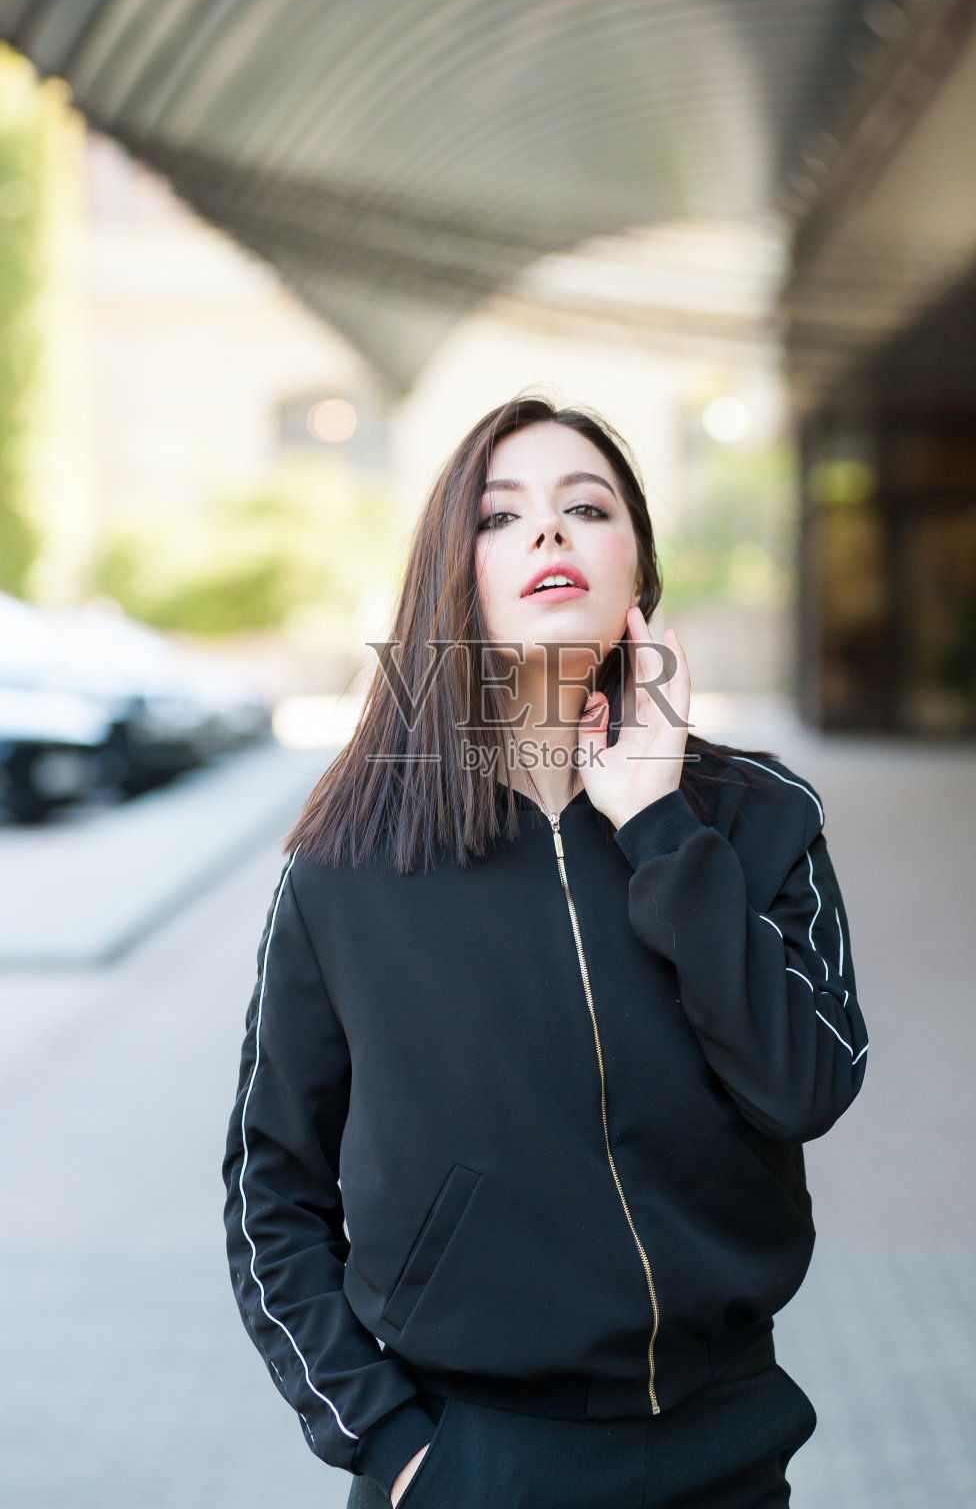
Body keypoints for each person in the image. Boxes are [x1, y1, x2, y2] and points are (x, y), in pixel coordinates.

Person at [222, 394, 869, 1508]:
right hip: (477, 1456)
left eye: (587, 505)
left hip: (728, 1440)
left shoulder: (756, 816)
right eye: (501, 514)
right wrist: (391, 1442)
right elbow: (269, 1187)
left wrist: (661, 826)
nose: (550, 532)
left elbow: (804, 1082)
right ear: (453, 580)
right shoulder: (352, 862)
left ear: (639, 572)